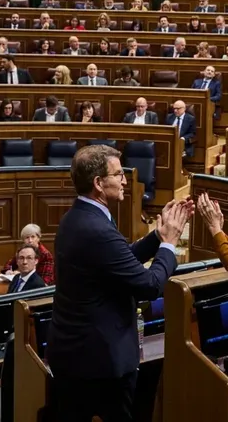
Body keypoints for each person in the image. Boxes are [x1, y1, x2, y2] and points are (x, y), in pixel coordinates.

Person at [46, 145, 193, 422]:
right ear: (98, 183)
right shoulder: (97, 229)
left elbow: (119, 260)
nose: (125, 180)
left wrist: (157, 237)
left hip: (74, 355)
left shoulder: (76, 218)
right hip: (100, 363)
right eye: (118, 174)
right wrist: (170, 244)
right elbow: (150, 285)